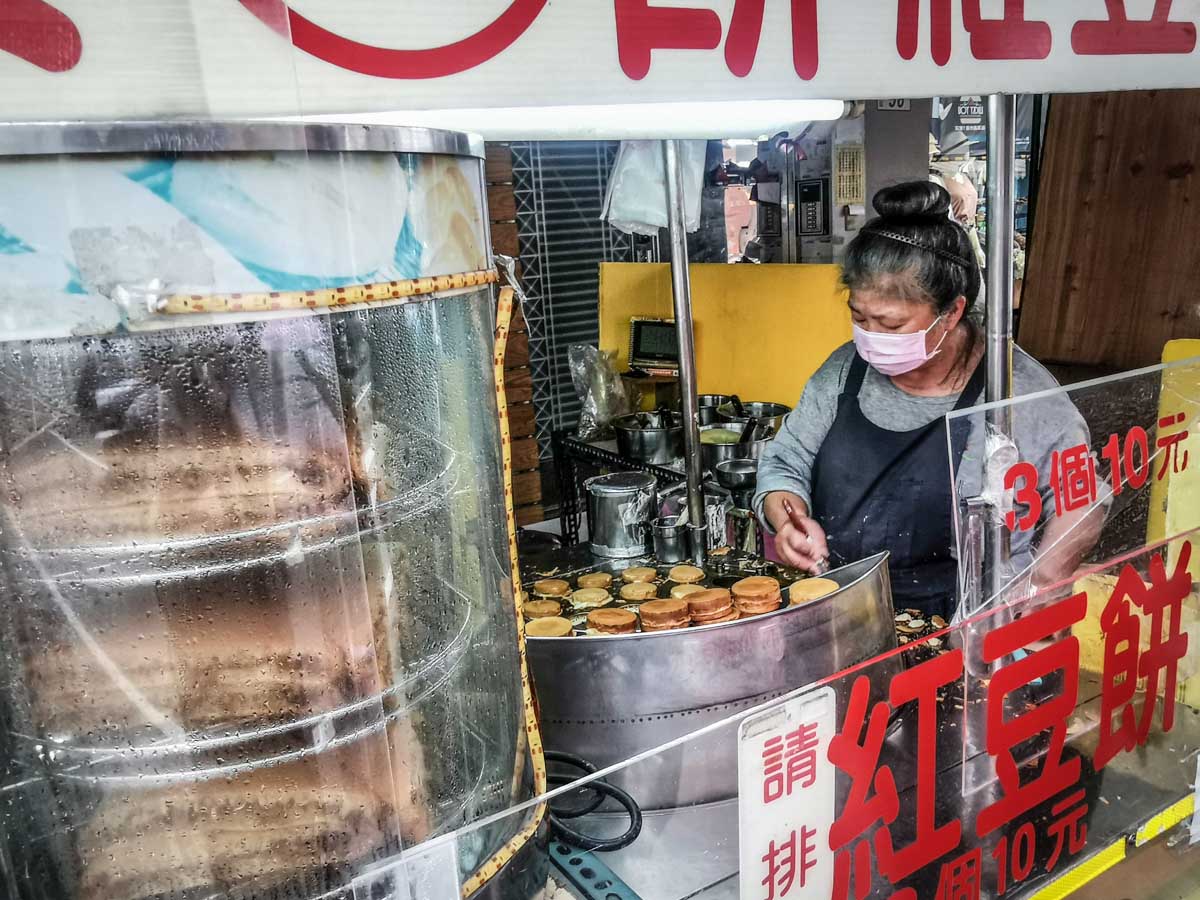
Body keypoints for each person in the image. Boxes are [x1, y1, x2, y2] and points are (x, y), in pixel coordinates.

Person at [754, 181, 1100, 620]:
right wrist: (787, 519)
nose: (871, 337)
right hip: (839, 610)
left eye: (892, 324)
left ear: (952, 312)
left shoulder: (1018, 391)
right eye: (859, 318)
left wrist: (1033, 589)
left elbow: (1083, 501)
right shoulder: (843, 372)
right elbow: (786, 461)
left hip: (959, 626)